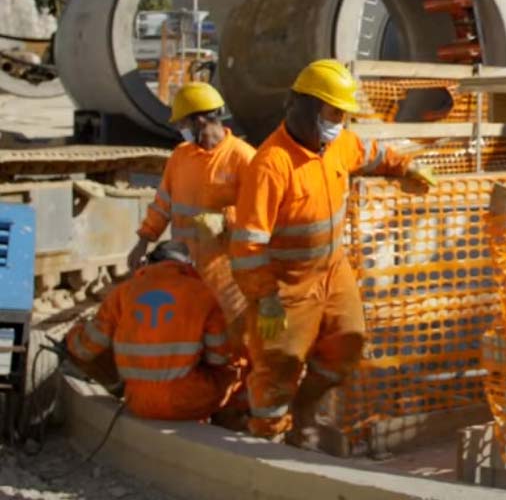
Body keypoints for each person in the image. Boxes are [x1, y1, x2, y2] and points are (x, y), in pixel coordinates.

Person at [229, 59, 436, 454]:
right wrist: (266, 297)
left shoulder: (340, 143)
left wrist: (406, 168)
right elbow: (249, 242)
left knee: (347, 344)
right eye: (333, 112)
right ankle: (266, 444)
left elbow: (371, 154)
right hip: (286, 285)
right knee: (278, 368)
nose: (339, 121)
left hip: (333, 271)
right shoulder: (272, 165)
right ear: (305, 107)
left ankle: (303, 411)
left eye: (343, 114)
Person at [128, 82, 255, 338]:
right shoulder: (181, 156)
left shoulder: (244, 158)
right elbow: (163, 203)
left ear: (199, 120)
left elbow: (261, 215)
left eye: (182, 123)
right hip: (184, 267)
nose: (179, 130)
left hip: (226, 273)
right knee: (187, 331)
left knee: (231, 333)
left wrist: (227, 220)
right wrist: (143, 240)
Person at [65, 241, 244, 424]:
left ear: (150, 262)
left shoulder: (123, 292)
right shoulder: (202, 294)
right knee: (230, 371)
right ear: (187, 266)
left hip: (138, 402)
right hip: (188, 401)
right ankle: (226, 423)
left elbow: (85, 348)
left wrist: (72, 335)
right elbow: (219, 358)